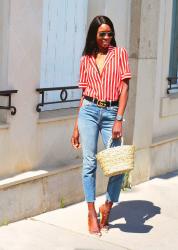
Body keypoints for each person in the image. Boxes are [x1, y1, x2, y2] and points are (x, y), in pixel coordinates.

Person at [71, 15, 131, 236]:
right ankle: (90, 211)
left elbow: (125, 88)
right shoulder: (86, 58)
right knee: (89, 163)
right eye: (102, 34)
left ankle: (108, 204)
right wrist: (76, 126)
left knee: (117, 164)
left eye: (109, 33)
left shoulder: (120, 54)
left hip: (111, 113)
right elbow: (84, 94)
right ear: (94, 35)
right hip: (88, 111)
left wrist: (119, 119)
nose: (107, 37)